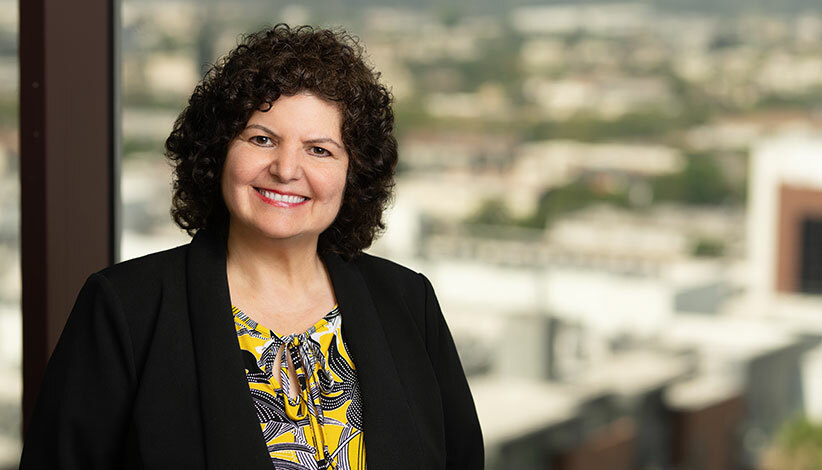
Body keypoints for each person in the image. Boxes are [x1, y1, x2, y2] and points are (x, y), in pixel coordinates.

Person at [20, 24, 484, 470]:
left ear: (354, 174)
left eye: (319, 150)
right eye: (262, 139)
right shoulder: (125, 309)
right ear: (218, 151)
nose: (286, 169)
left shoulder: (409, 303)